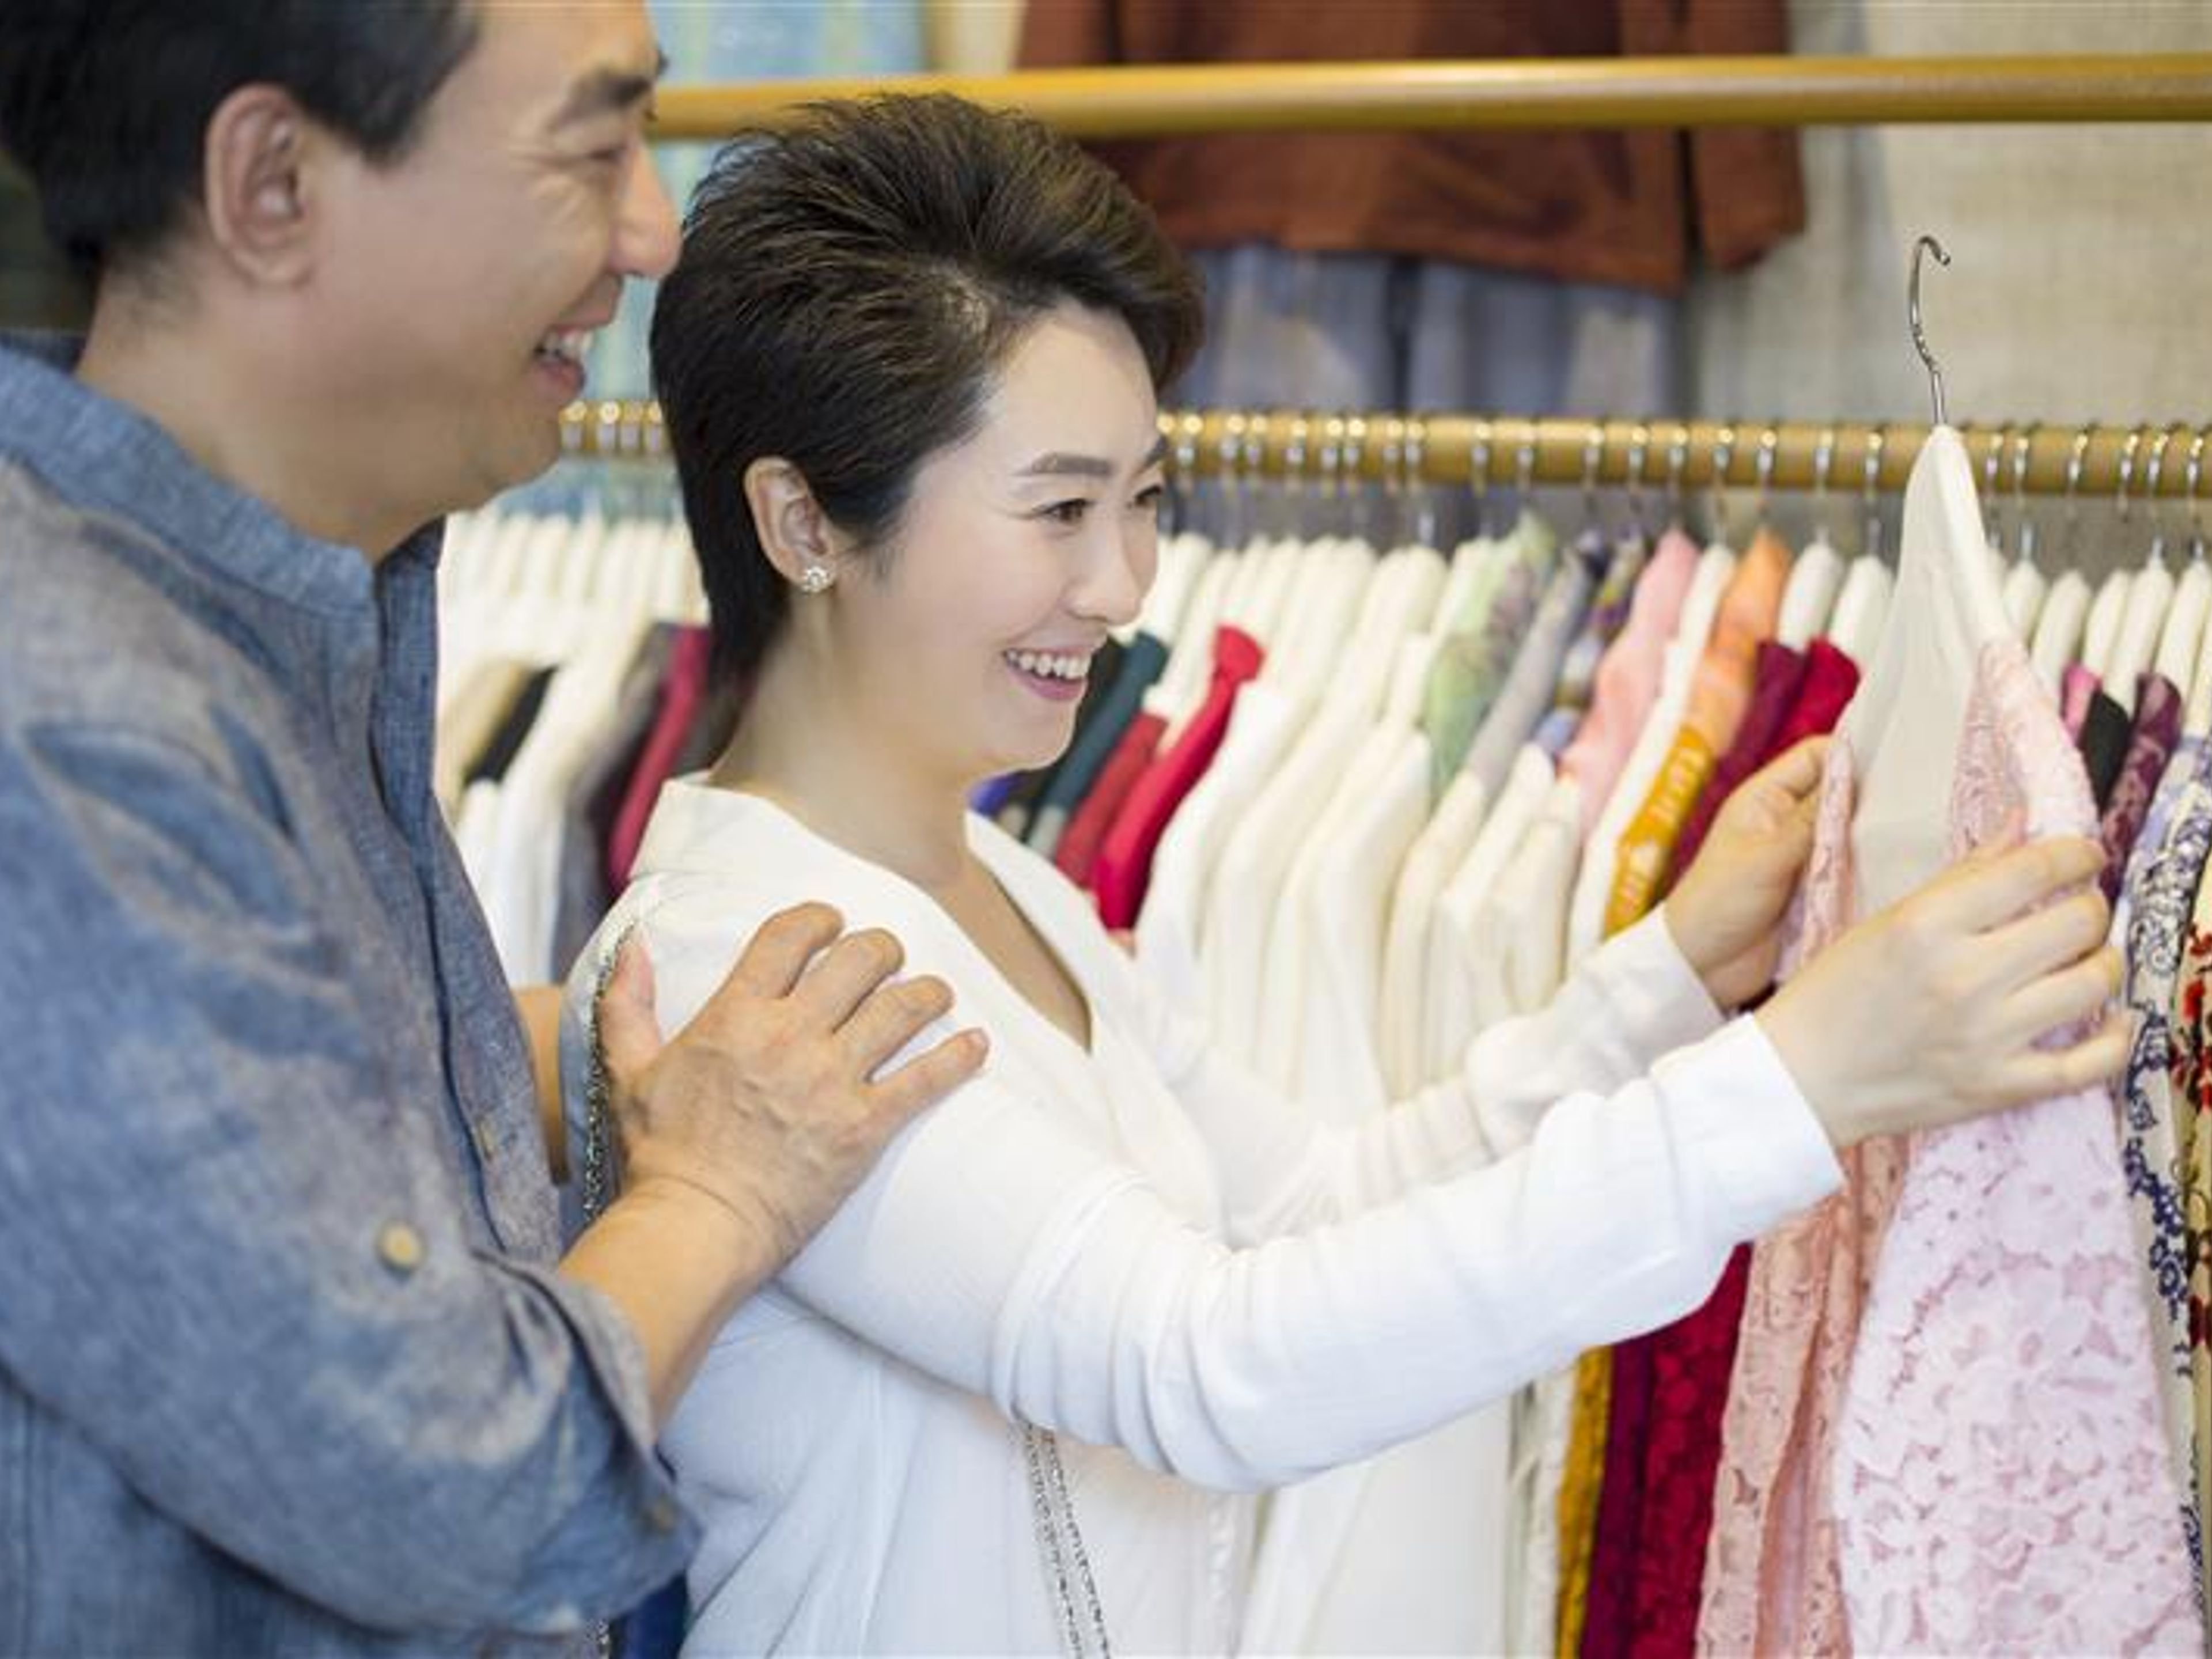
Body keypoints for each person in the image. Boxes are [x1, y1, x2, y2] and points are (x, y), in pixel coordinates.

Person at [584, 92, 2134, 1653]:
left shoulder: (989, 878)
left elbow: (1312, 1204)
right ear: (800, 523)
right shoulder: (754, 962)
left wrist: (1666, 977)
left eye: (1142, 502)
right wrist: (1797, 1087)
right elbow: (1207, 1365)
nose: (1123, 584)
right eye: (1058, 508)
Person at [0, 5, 984, 1651]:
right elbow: (449, 1481)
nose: (654, 235)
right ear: (273, 184)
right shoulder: (73, 729)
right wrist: (718, 1194)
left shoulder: (298, 601)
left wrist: (591, 1041)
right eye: (593, 152)